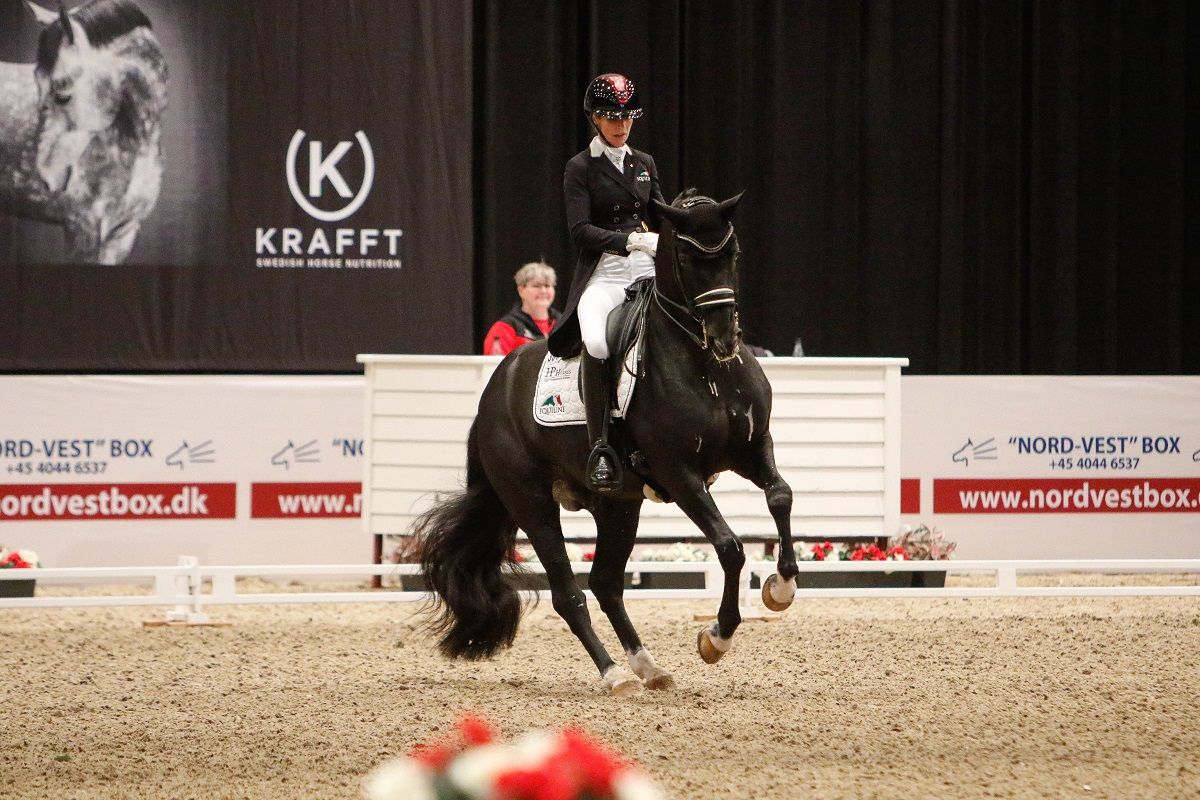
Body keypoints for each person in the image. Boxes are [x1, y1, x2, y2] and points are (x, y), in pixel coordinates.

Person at [547, 73, 666, 492]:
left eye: (628, 117)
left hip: (647, 271)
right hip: (605, 273)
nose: (622, 125)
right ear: (595, 119)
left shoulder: (644, 163)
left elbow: (661, 214)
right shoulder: (580, 168)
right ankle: (601, 446)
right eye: (613, 117)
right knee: (597, 343)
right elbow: (579, 230)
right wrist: (628, 240)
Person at [482, 261, 559, 355]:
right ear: (521, 290)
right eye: (536, 286)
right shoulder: (504, 328)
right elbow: (497, 363)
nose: (543, 291)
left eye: (547, 286)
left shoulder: (564, 323)